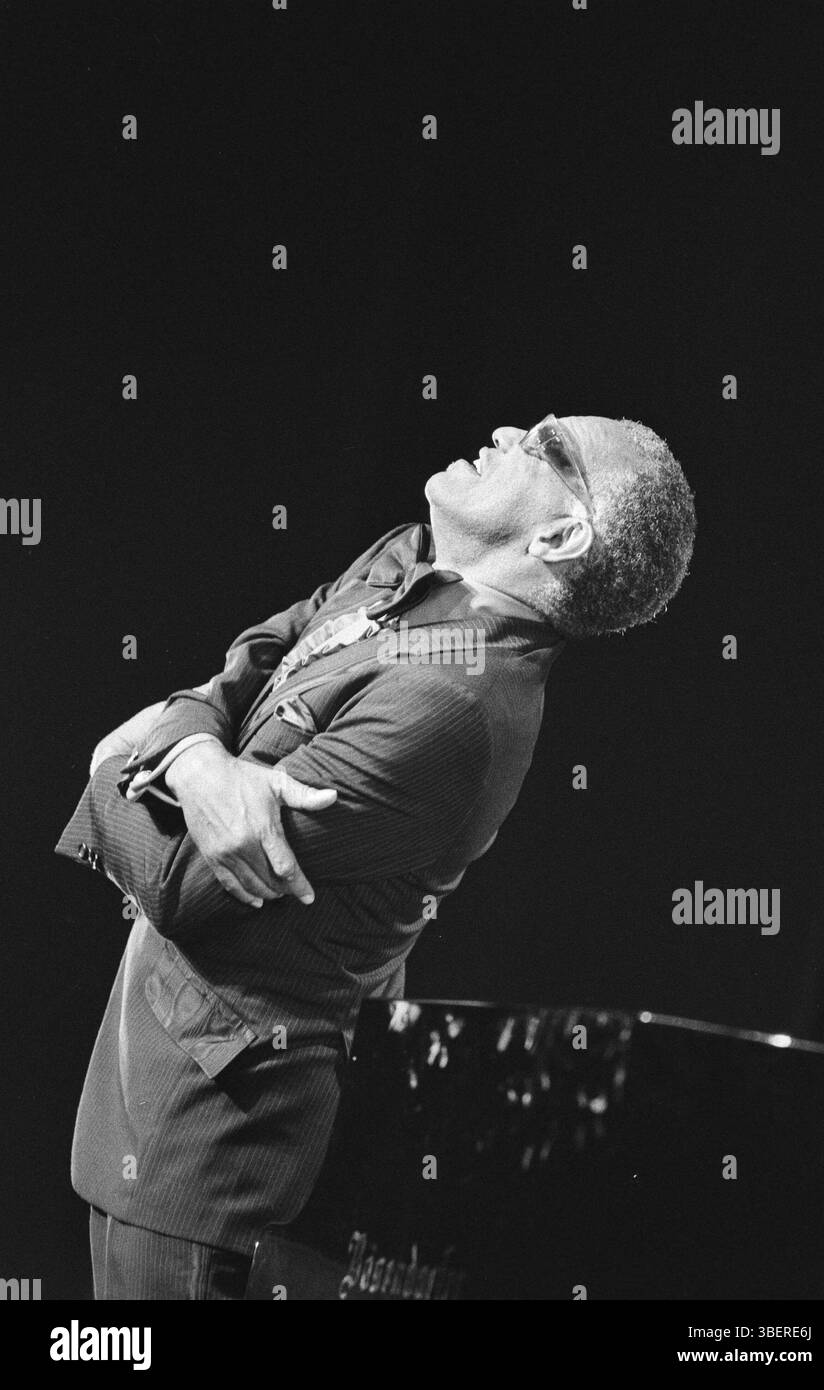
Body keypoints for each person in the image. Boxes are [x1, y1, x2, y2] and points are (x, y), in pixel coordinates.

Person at [56, 413, 696, 1299]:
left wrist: (111, 760)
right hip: (148, 1097)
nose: (509, 428)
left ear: (561, 534)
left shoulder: (453, 710)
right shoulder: (413, 560)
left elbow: (179, 879)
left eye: (545, 445)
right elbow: (257, 653)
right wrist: (199, 757)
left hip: (203, 1165)